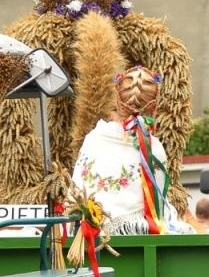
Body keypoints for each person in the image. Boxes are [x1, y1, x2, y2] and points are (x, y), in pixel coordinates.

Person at [73, 65, 191, 235]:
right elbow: (157, 210)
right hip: (137, 233)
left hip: (88, 232)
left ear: (117, 100)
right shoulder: (153, 148)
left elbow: (76, 193)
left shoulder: (94, 138)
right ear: (153, 106)